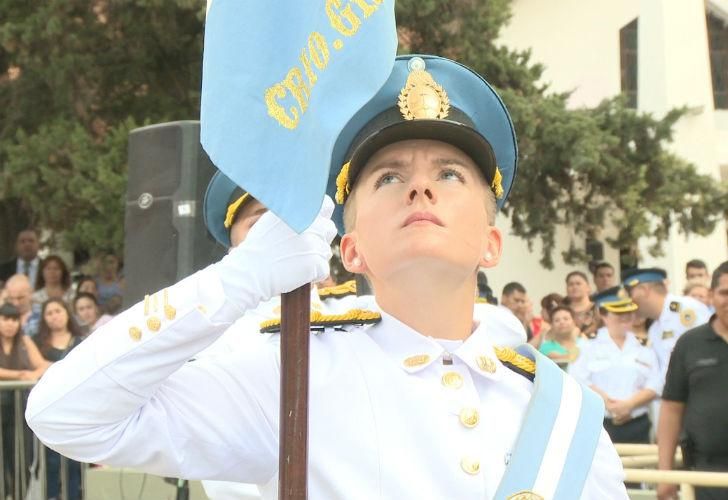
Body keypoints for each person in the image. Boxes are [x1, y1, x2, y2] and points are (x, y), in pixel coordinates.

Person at [26, 55, 627, 498]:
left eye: (451, 174)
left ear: (491, 244)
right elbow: (65, 413)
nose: (420, 185)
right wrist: (240, 279)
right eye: (388, 177)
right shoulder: (292, 375)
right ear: (352, 249)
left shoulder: (563, 409)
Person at [657, 261, 728, 500]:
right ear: (710, 296)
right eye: (724, 293)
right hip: (705, 474)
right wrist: (664, 476)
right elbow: (671, 410)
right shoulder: (689, 344)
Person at [570, 287, 661, 445]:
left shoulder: (645, 346)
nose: (625, 317)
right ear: (603, 315)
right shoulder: (588, 344)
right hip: (600, 424)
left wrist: (629, 405)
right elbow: (577, 379)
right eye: (618, 313)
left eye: (629, 312)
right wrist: (608, 403)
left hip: (637, 424)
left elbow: (655, 383)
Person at [33, 298, 85, 500]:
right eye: (49, 313)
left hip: (76, 408)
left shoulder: (81, 341)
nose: (54, 316)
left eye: (58, 311)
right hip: (50, 408)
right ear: (44, 318)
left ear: (66, 312)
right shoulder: (39, 344)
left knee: (74, 460)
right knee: (52, 461)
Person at [622, 268, 711, 379]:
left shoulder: (687, 310)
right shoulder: (654, 329)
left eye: (630, 294)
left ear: (644, 290)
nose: (630, 301)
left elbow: (709, 356)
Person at [0, 303, 48, 495]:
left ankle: (19, 494)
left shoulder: (25, 340)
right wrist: (19, 375)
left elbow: (42, 366)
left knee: (21, 455)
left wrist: (31, 374)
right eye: (5, 319)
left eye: (14, 320)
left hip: (19, 408)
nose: (10, 324)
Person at [565, 271, 597, 337]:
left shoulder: (599, 310)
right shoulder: (561, 311)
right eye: (571, 284)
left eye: (578, 284)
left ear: (588, 288)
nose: (574, 287)